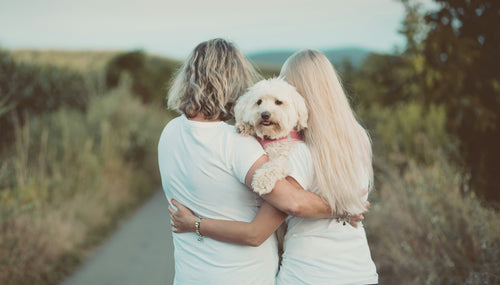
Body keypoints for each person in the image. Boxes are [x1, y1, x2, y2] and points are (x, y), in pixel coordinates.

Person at [170, 49, 378, 285]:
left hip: (308, 273)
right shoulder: (358, 137)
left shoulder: (296, 153)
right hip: (360, 270)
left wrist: (194, 224)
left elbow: (261, 228)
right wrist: (348, 206)